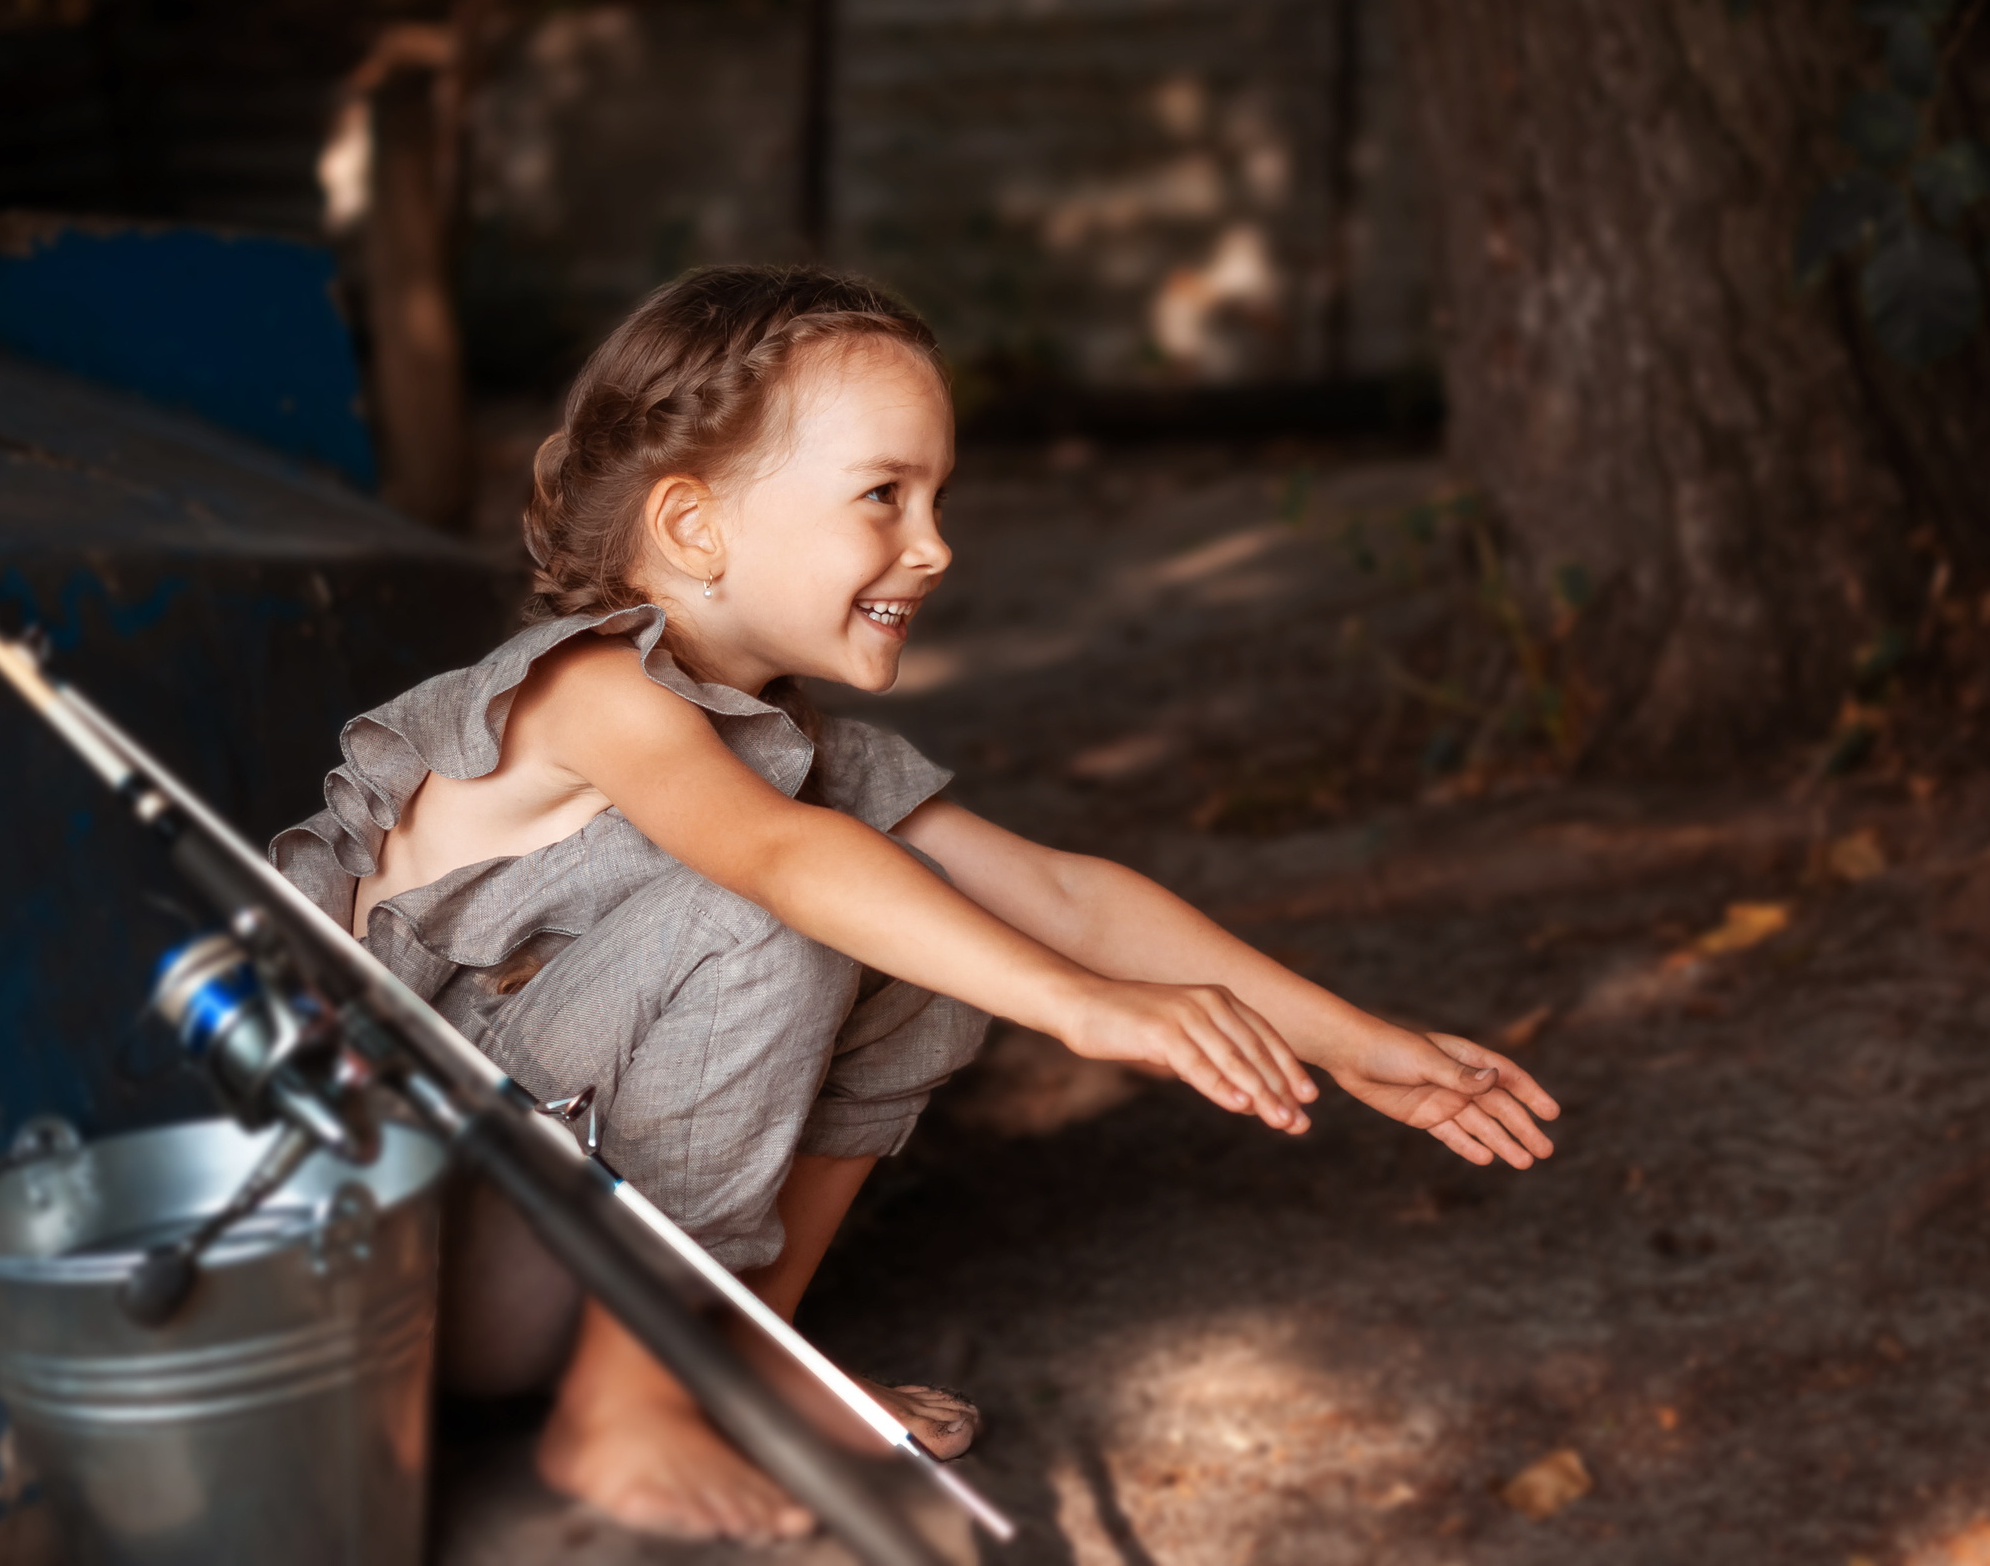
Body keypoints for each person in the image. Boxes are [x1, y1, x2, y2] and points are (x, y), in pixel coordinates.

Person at [272, 264, 1560, 1542]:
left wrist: (1361, 1045)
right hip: (417, 1271)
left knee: (928, 918)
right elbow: (781, 863)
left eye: (938, 498)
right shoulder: (589, 693)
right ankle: (622, 1408)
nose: (934, 544)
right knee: (799, 904)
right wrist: (1081, 1011)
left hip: (555, 1245)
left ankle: (741, 1344)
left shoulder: (799, 749)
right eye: (884, 495)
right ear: (693, 529)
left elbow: (1067, 895)